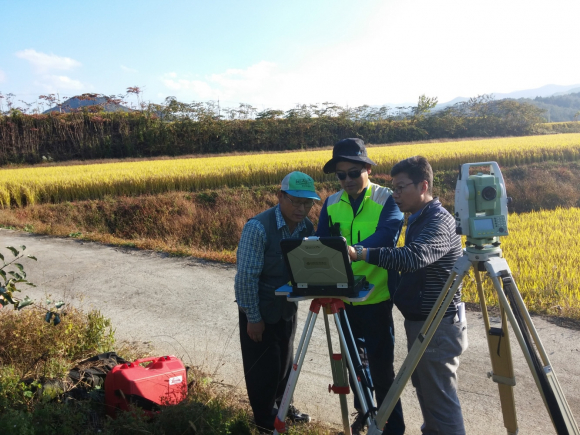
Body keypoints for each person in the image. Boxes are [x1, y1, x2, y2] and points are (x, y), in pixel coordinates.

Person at [348, 156, 468, 435]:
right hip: (424, 321)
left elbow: (412, 257)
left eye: (401, 188)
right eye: (394, 188)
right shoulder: (419, 219)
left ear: (423, 186)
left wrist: (361, 253)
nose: (396, 195)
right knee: (428, 395)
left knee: (440, 401)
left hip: (437, 324)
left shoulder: (438, 221)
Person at [316, 138, 405, 435]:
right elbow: (322, 241)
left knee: (382, 369)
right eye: (341, 175)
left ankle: (393, 426)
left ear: (368, 169)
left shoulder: (387, 199)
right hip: (343, 297)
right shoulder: (331, 203)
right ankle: (365, 413)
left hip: (376, 296)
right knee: (354, 365)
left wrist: (354, 250)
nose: (347, 180)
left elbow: (387, 235)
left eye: (354, 173)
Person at [235, 171, 319, 432]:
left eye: (307, 203)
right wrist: (253, 318)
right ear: (280, 196)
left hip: (286, 307)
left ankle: (284, 408)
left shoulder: (306, 228)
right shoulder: (258, 227)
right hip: (259, 308)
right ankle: (264, 420)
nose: (301, 208)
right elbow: (246, 278)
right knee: (264, 368)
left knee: (285, 362)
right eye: (295, 201)